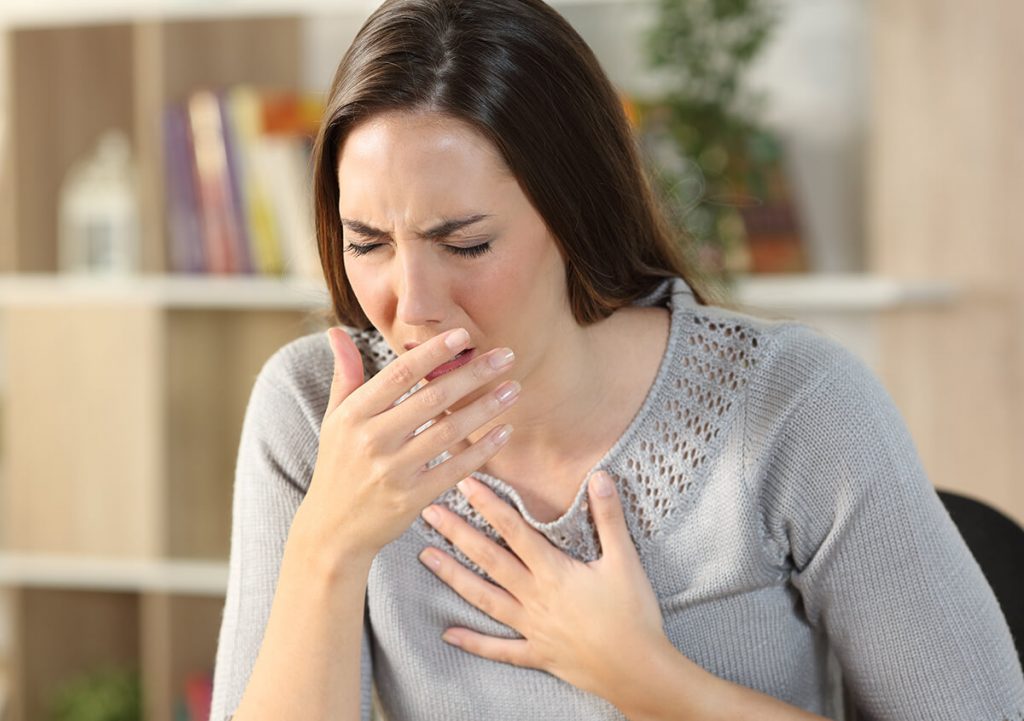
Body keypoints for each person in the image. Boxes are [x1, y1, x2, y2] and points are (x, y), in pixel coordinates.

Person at [208, 0, 1024, 719]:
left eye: (466, 244)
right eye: (367, 243)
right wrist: (329, 546)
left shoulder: (798, 406)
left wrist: (657, 686)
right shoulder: (313, 412)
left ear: (576, 217)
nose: (412, 306)